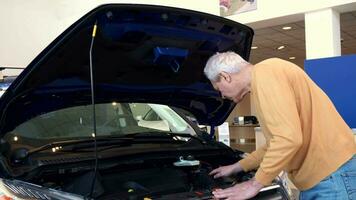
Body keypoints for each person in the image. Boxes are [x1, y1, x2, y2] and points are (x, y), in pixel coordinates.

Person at [204, 51, 356, 200]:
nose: (222, 96)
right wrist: (238, 166)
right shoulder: (266, 77)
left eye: (219, 89)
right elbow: (275, 143)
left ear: (225, 77)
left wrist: (254, 184)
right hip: (325, 177)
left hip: (332, 177)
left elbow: (288, 139)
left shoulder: (266, 74)